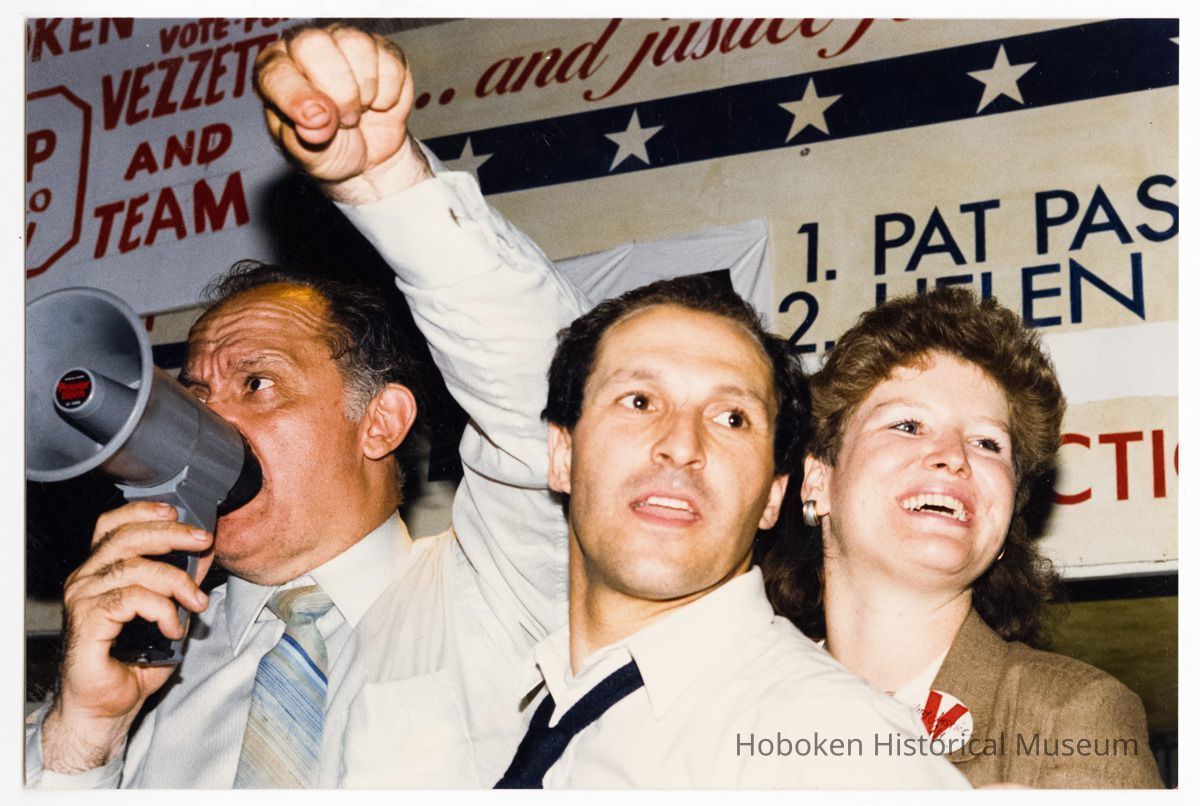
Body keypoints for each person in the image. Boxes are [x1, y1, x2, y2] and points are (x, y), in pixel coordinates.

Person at [25, 25, 586, 787]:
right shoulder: (146, 670)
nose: (207, 423)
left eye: (257, 384)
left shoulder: (502, 592)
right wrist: (80, 740)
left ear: (381, 420)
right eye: (194, 392)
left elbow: (544, 394)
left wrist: (384, 181)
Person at [492, 277, 969, 788]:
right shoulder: (541, 704)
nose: (680, 444)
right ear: (563, 456)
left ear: (772, 495)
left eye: (732, 418)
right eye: (638, 401)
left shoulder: (829, 746)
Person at [764, 287, 1162, 788]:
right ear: (818, 481)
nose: (954, 455)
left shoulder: (1072, 712)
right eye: (908, 425)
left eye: (986, 442)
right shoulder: (737, 712)